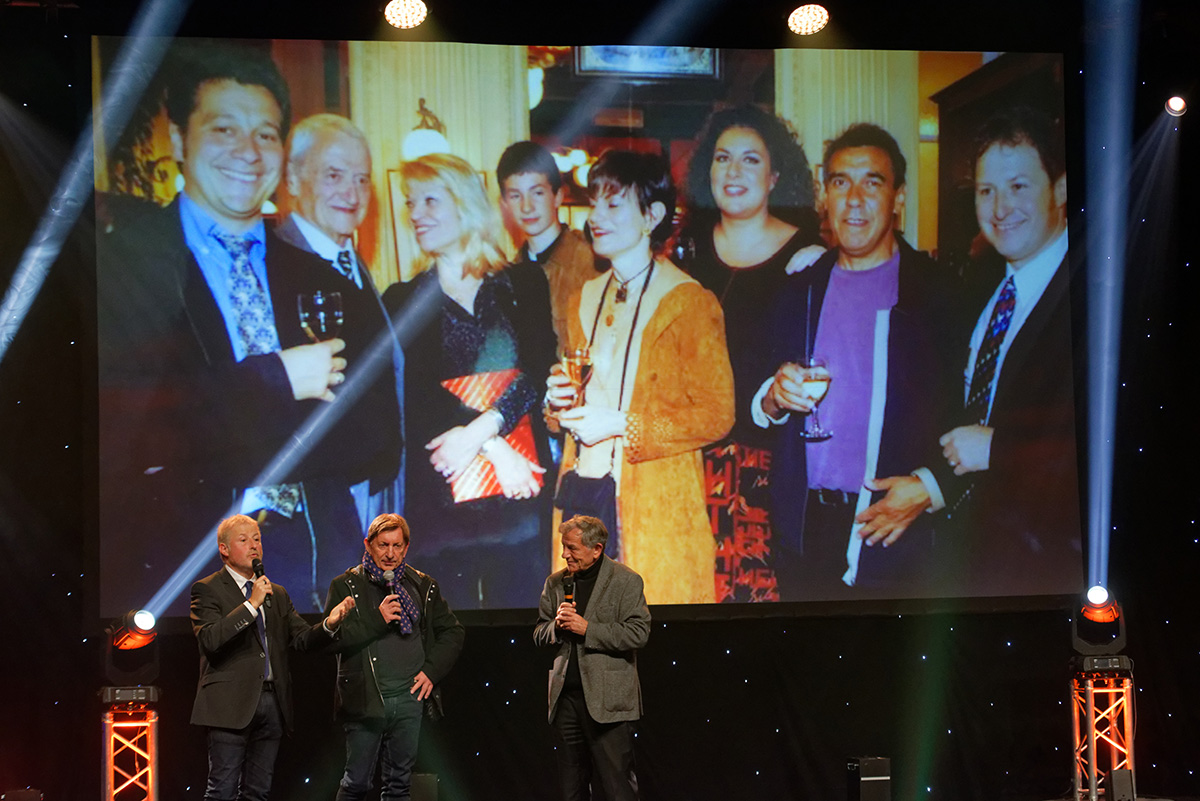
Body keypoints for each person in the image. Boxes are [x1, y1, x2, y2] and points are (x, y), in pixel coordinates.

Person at [97, 44, 400, 614]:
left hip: (317, 561)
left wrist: (216, 424)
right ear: (180, 140)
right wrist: (276, 381)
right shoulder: (120, 267)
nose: (247, 151)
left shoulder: (320, 276)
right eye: (224, 129)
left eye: (265, 134)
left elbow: (377, 434)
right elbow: (126, 429)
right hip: (189, 567)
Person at [864, 107, 1082, 595]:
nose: (1000, 208)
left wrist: (999, 449)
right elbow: (965, 411)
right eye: (986, 191)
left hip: (1052, 573)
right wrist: (930, 485)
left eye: (1018, 186)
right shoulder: (982, 284)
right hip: (972, 560)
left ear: (1061, 189)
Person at [753, 123, 954, 600]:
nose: (855, 199)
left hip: (893, 534)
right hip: (804, 533)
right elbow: (758, 394)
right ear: (825, 196)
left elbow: (973, 414)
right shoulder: (799, 289)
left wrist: (932, 486)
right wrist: (774, 397)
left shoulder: (938, 294)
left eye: (873, 182)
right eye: (841, 183)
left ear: (899, 197)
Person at [546, 150, 734, 605]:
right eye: (595, 203)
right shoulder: (584, 297)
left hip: (655, 511)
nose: (596, 217)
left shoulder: (689, 301)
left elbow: (717, 414)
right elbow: (569, 408)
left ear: (653, 216)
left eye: (614, 204)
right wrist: (558, 401)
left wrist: (622, 424)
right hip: (583, 496)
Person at [382, 153, 556, 609]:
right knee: (448, 632)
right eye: (411, 202)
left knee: (522, 625)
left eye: (430, 201)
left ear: (465, 204)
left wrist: (483, 431)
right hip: (443, 495)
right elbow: (417, 400)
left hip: (520, 489)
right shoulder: (401, 300)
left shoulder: (524, 282)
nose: (416, 214)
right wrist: (495, 447)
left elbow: (538, 371)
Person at [678, 104, 824, 602]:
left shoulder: (810, 258)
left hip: (769, 473)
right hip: (689, 463)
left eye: (750, 159)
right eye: (722, 158)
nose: (733, 171)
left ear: (775, 176)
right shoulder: (684, 252)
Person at [277, 112, 406, 528]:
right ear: (293, 179)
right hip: (325, 500)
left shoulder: (350, 260)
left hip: (375, 486)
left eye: (362, 179)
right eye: (334, 176)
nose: (352, 193)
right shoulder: (274, 266)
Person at [190, 514, 356, 801]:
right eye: (244, 540)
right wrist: (251, 604)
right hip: (229, 704)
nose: (254, 545)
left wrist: (329, 623)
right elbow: (210, 639)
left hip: (272, 703)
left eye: (257, 539)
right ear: (224, 549)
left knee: (259, 792)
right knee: (222, 790)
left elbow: (302, 638)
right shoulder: (207, 589)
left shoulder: (276, 593)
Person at [323, 513, 465, 801]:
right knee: (355, 783)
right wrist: (378, 619)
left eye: (397, 546)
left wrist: (431, 671)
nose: (390, 553)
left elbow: (453, 632)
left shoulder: (422, 585)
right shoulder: (345, 585)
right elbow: (333, 641)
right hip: (365, 699)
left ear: (406, 547)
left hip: (408, 699)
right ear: (368, 545)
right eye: (383, 545)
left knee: (399, 786)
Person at [534, 515, 651, 801]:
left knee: (618, 788)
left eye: (572, 548)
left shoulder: (625, 580)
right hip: (566, 703)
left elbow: (638, 633)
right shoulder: (555, 583)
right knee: (571, 790)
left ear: (596, 549)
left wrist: (588, 629)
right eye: (564, 546)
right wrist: (556, 627)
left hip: (609, 703)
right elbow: (539, 632)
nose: (565, 554)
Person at [497, 140, 599, 354]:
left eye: (537, 193)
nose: (526, 207)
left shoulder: (591, 260)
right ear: (505, 204)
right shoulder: (507, 276)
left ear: (557, 196)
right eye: (515, 196)